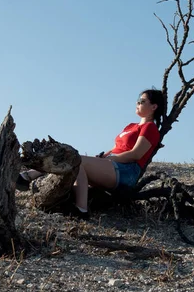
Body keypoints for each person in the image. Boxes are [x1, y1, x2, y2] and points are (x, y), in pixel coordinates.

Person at [16, 89, 164, 220]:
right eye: (138, 100)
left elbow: (135, 154)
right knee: (75, 162)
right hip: (112, 165)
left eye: (142, 101)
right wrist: (102, 157)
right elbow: (115, 148)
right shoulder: (131, 126)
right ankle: (79, 208)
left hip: (126, 170)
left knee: (77, 160)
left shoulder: (150, 127)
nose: (137, 103)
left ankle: (30, 176)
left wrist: (110, 159)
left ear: (154, 107)